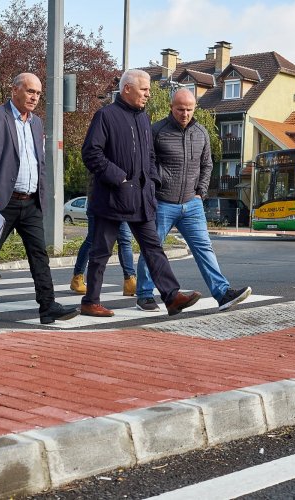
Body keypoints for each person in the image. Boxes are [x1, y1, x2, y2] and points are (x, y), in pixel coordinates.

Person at [79, 69, 201, 318]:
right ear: (127, 89)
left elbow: (150, 155)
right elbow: (91, 152)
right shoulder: (106, 115)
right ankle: (90, 302)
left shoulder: (144, 119)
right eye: (144, 89)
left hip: (142, 198)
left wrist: (153, 180)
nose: (148, 94)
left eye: (148, 90)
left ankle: (171, 297)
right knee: (101, 251)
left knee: (154, 248)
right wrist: (119, 178)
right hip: (111, 197)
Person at [0, 72, 79, 324]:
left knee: (39, 255)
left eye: (38, 93)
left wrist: (43, 194)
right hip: (2, 201)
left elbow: (39, 161)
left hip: (30, 201)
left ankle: (47, 307)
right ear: (14, 90)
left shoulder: (36, 123)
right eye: (30, 91)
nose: (35, 97)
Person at [135, 88, 252, 312]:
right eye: (180, 109)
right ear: (171, 107)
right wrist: (153, 190)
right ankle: (145, 294)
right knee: (152, 248)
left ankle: (222, 293)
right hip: (162, 202)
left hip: (192, 203)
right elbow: (146, 163)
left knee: (204, 248)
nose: (185, 113)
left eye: (189, 109)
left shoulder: (201, 133)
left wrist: (201, 192)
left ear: (195, 108)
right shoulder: (157, 131)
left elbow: (207, 164)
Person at [70, 185, 137, 296]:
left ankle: (130, 280)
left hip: (121, 202)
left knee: (125, 240)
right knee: (92, 240)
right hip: (99, 201)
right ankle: (77, 276)